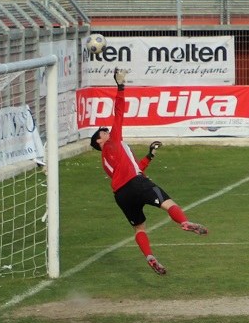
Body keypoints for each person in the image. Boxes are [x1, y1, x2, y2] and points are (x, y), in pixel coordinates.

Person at [89, 67, 207, 276]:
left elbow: (134, 169)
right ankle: (185, 222)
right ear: (100, 141)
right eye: (102, 131)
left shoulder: (106, 161)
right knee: (169, 203)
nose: (106, 130)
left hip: (121, 195)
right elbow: (119, 111)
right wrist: (121, 86)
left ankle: (150, 257)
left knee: (139, 228)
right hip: (137, 184)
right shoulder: (113, 142)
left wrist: (149, 156)